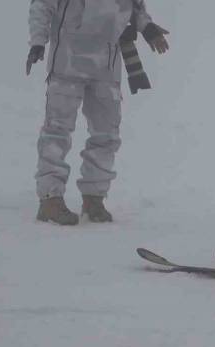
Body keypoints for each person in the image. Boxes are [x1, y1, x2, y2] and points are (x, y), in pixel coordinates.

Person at [27, 0, 170, 225]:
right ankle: (50, 198)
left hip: (106, 64)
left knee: (107, 134)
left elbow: (134, 8)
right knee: (57, 130)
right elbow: (42, 4)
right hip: (68, 61)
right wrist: (38, 41)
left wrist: (148, 28)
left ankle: (94, 198)